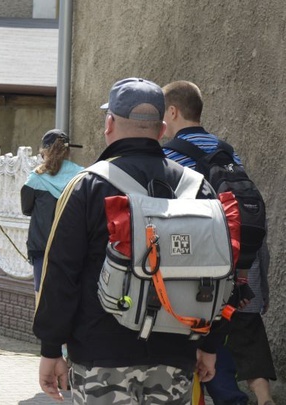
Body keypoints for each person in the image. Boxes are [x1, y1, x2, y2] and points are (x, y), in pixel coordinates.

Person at [33, 78, 222, 403]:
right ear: (162, 129)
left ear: (109, 124)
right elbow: (218, 269)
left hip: (100, 357)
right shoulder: (198, 187)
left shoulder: (87, 186)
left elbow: (61, 273)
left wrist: (51, 348)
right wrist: (209, 345)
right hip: (175, 354)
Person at [162, 80, 276, 405]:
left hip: (205, 267)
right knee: (236, 332)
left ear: (172, 111)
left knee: (205, 340)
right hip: (242, 263)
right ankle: (257, 398)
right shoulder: (228, 152)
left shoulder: (170, 155)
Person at [20, 128, 83, 295]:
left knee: (43, 296)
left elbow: (26, 209)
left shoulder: (36, 178)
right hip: (73, 248)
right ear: (67, 151)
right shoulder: (82, 176)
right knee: (68, 295)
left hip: (43, 248)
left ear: (45, 152)